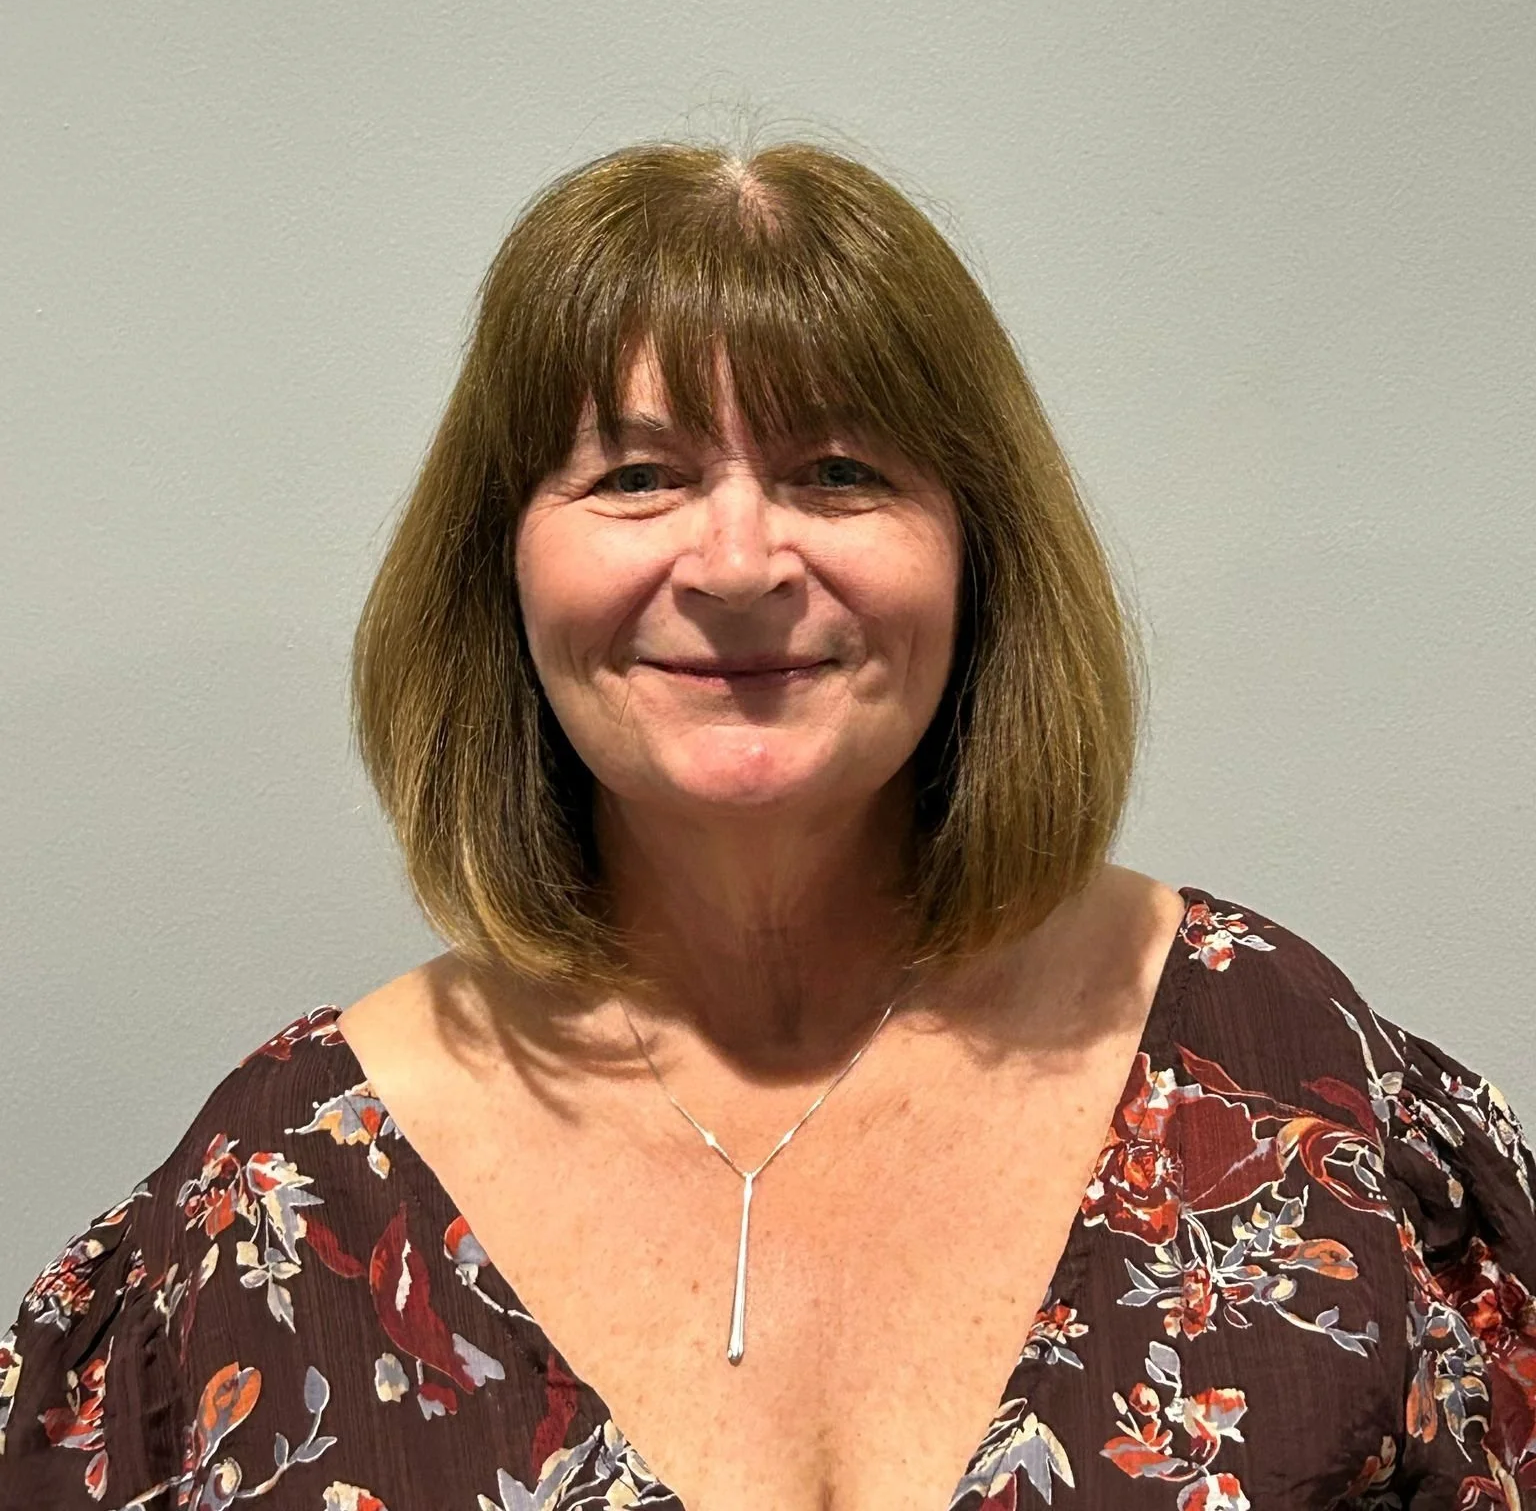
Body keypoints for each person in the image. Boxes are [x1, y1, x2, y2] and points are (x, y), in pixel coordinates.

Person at [1, 138, 1532, 1511]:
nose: (738, 560)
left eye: (841, 472)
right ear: (503, 572)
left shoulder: (1294, 1086)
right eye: (638, 475)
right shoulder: (281, 1198)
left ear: (977, 557)